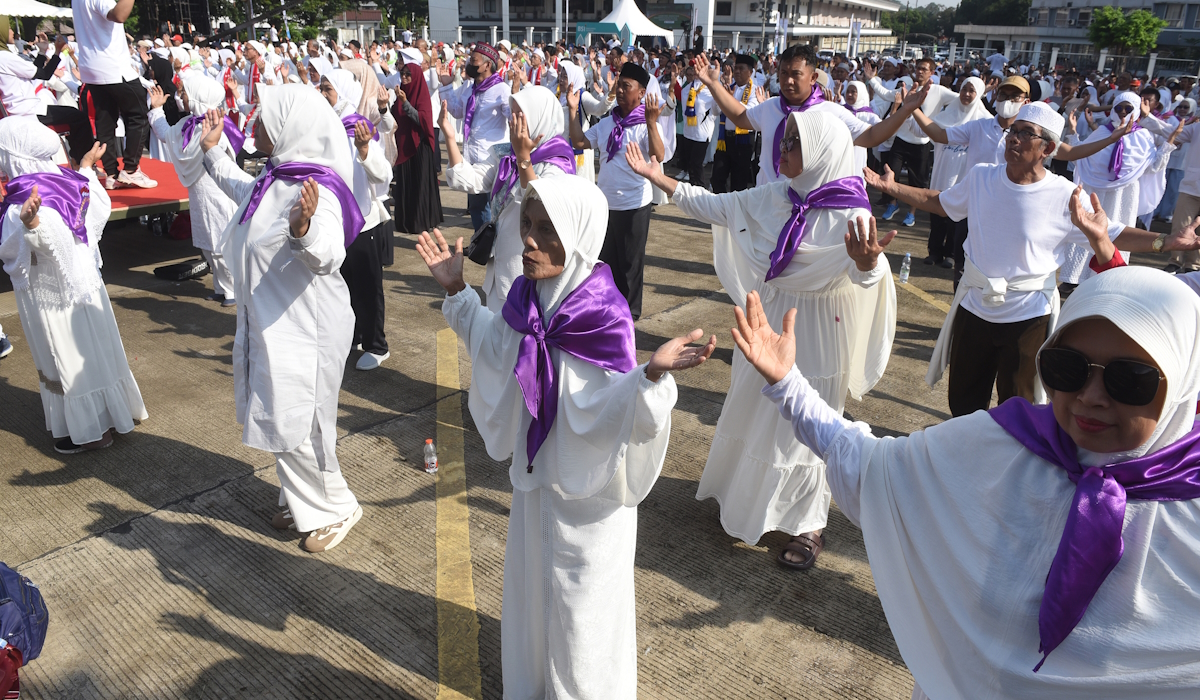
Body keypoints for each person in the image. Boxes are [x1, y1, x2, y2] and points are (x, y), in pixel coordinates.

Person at [730, 261, 1200, 698]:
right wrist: (788, 384)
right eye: (1067, 368)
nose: (1090, 396)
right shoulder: (1004, 441)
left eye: (1130, 379)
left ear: (1183, 381)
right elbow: (876, 469)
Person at [416, 176, 716, 698]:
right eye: (527, 225)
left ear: (577, 235)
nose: (529, 241)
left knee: (583, 620)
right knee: (534, 601)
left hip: (590, 497)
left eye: (546, 230)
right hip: (537, 487)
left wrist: (649, 378)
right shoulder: (524, 297)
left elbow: (620, 411)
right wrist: (457, 291)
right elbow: (495, 346)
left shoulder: (602, 313)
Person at [626, 111, 896, 569]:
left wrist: (868, 264)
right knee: (756, 407)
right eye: (783, 139)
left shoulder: (852, 211)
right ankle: (747, 500)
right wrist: (661, 179)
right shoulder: (775, 195)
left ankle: (809, 523)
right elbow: (717, 206)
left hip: (819, 327)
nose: (781, 149)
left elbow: (868, 276)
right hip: (768, 316)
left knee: (811, 425)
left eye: (793, 142)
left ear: (822, 152)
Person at [867, 102, 1199, 417]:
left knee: (1019, 404)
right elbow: (940, 202)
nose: (1013, 139)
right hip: (974, 306)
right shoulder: (982, 177)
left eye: (1026, 133)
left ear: (1048, 149)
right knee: (963, 399)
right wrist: (893, 188)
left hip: (1028, 315)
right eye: (1012, 131)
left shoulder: (1064, 194)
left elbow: (1112, 232)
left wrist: (1165, 241)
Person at [197, 86, 364, 553]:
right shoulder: (277, 176)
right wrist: (212, 152)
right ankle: (303, 500)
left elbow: (330, 252)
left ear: (290, 126)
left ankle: (336, 507)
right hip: (275, 325)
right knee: (280, 419)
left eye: (264, 118)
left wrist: (303, 230)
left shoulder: (317, 188)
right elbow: (241, 190)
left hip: (307, 330)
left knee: (303, 425)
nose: (254, 124)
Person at [0, 117, 149, 454]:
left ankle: (90, 431)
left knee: (63, 355)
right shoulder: (65, 180)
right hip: (85, 288)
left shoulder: (23, 200)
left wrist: (31, 225)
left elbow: (37, 243)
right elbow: (97, 209)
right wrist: (85, 168)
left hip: (51, 296)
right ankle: (115, 412)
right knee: (95, 350)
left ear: (14, 157)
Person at [695, 45, 926, 188]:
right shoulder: (771, 106)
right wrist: (713, 84)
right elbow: (740, 117)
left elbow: (872, 136)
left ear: (813, 77)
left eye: (796, 74)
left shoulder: (830, 111)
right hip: (766, 202)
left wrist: (904, 111)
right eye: (783, 73)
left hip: (806, 209)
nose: (788, 81)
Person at [444, 85, 576, 312]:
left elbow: (538, 203)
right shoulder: (506, 154)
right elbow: (470, 180)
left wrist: (524, 157)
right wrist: (449, 137)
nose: (512, 122)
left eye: (519, 116)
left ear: (539, 119)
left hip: (527, 274)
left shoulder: (557, 163)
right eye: (511, 115)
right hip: (499, 270)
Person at [566, 62, 664, 320]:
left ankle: (629, 317)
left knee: (630, 265)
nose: (619, 90)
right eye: (618, 85)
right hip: (606, 204)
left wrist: (652, 123)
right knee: (606, 263)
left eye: (626, 86)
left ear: (641, 93)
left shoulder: (644, 124)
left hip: (634, 206)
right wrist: (573, 110)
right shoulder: (608, 122)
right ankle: (609, 310)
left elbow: (659, 154)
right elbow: (579, 141)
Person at [1058, 92, 1178, 290]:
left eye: (1128, 108)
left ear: (1136, 110)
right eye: (1119, 108)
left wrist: (1168, 144)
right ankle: (1074, 278)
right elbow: (1081, 156)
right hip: (1095, 191)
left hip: (1123, 195)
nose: (1123, 112)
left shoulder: (1143, 136)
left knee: (1118, 232)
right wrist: (1073, 131)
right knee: (1087, 230)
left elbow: (1152, 166)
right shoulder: (1102, 133)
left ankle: (1110, 276)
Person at [319, 69, 396, 372]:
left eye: (328, 88)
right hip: (335, 219)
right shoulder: (326, 125)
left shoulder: (357, 127)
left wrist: (364, 150)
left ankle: (377, 345)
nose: (322, 94)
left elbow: (383, 175)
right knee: (343, 284)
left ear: (342, 91)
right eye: (321, 88)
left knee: (367, 287)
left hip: (361, 221)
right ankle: (354, 335)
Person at [147, 75, 240, 307]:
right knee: (207, 243)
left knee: (221, 244)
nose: (181, 97)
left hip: (216, 193)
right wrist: (156, 109)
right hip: (199, 194)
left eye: (185, 93)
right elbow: (166, 134)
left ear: (198, 96)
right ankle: (221, 288)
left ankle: (234, 290)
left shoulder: (217, 125)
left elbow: (220, 157)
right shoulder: (187, 124)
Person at [865, 57, 960, 228]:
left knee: (917, 180)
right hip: (901, 140)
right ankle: (892, 204)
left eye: (924, 69)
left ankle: (912, 213)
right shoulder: (907, 88)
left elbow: (962, 99)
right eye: (918, 68)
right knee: (890, 172)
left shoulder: (939, 91)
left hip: (922, 143)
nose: (920, 71)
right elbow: (886, 94)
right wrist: (871, 79)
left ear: (932, 72)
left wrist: (981, 91)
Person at [71, 0, 155, 188]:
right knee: (139, 115)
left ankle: (111, 174)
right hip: (113, 67)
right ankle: (131, 170)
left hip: (91, 68)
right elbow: (119, 15)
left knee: (105, 122)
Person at [438, 42, 511, 231]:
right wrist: (446, 86)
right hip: (471, 157)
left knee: (493, 208)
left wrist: (517, 94)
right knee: (477, 207)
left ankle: (492, 242)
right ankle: (481, 241)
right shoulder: (469, 87)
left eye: (474, 60)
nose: (469, 63)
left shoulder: (501, 89)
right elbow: (457, 111)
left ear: (487, 65)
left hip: (490, 159)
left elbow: (513, 116)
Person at [0, 23, 95, 166]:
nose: (12, 31)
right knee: (80, 117)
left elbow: (33, 72)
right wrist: (57, 52)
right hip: (28, 111)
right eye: (8, 28)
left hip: (17, 111)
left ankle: (77, 160)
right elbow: (44, 74)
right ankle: (84, 163)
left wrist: (43, 52)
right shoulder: (5, 57)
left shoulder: (3, 57)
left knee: (74, 116)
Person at [925, 76, 988, 276]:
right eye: (963, 89)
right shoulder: (946, 115)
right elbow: (926, 130)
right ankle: (934, 251)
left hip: (964, 174)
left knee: (958, 215)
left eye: (971, 91)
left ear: (979, 94)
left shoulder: (984, 121)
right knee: (937, 210)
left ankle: (951, 253)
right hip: (943, 170)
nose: (966, 94)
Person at [1138, 96, 1200, 274]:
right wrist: (1148, 117)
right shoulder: (1197, 128)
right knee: (1181, 225)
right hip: (1191, 187)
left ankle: (1193, 265)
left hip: (1191, 184)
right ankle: (1175, 261)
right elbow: (1172, 131)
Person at [394, 54, 444, 236]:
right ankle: (404, 222)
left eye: (408, 75)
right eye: (402, 74)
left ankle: (420, 222)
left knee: (419, 187)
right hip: (404, 145)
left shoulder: (420, 94)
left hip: (419, 147)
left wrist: (405, 103)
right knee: (405, 185)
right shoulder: (400, 94)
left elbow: (421, 119)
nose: (405, 78)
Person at [710, 54, 760, 194]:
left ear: (750, 72)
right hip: (725, 139)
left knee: (738, 182)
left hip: (743, 141)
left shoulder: (755, 91)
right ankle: (722, 206)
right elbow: (715, 111)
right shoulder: (729, 87)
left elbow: (748, 112)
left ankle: (735, 208)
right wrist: (720, 91)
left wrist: (729, 99)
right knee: (717, 178)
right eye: (735, 68)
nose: (737, 71)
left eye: (741, 68)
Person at [676, 62, 715, 188]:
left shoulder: (710, 90)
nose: (696, 70)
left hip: (702, 133)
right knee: (690, 165)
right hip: (688, 132)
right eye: (694, 68)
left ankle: (702, 189)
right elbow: (684, 111)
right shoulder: (686, 89)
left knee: (697, 164)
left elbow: (717, 110)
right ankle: (693, 190)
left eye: (699, 67)